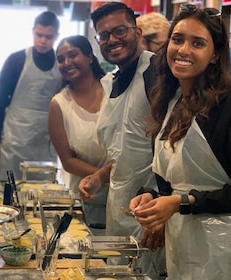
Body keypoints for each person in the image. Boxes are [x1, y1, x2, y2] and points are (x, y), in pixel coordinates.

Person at [129, 4, 231, 279]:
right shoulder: (171, 100)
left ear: (215, 55)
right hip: (181, 246)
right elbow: (173, 176)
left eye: (197, 43)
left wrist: (181, 202)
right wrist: (154, 196)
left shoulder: (227, 107)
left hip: (223, 249)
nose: (183, 50)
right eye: (177, 39)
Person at [77, 2, 165, 278]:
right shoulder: (113, 81)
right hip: (118, 204)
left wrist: (161, 210)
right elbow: (127, 149)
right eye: (104, 35)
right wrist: (100, 176)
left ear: (137, 32)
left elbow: (173, 152)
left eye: (119, 31)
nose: (112, 40)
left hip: (151, 208)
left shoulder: (157, 73)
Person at [0, 11, 63, 181]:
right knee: (7, 187)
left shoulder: (61, 62)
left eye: (48, 37)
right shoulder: (17, 60)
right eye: (39, 35)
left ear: (56, 36)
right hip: (14, 138)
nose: (43, 41)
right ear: (33, 31)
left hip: (45, 139)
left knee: (42, 191)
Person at [48, 35, 109, 229]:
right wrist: (105, 175)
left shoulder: (114, 89)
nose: (67, 63)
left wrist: (118, 176)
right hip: (85, 196)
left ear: (90, 57)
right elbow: (68, 161)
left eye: (73, 55)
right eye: (60, 59)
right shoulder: (59, 104)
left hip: (127, 192)